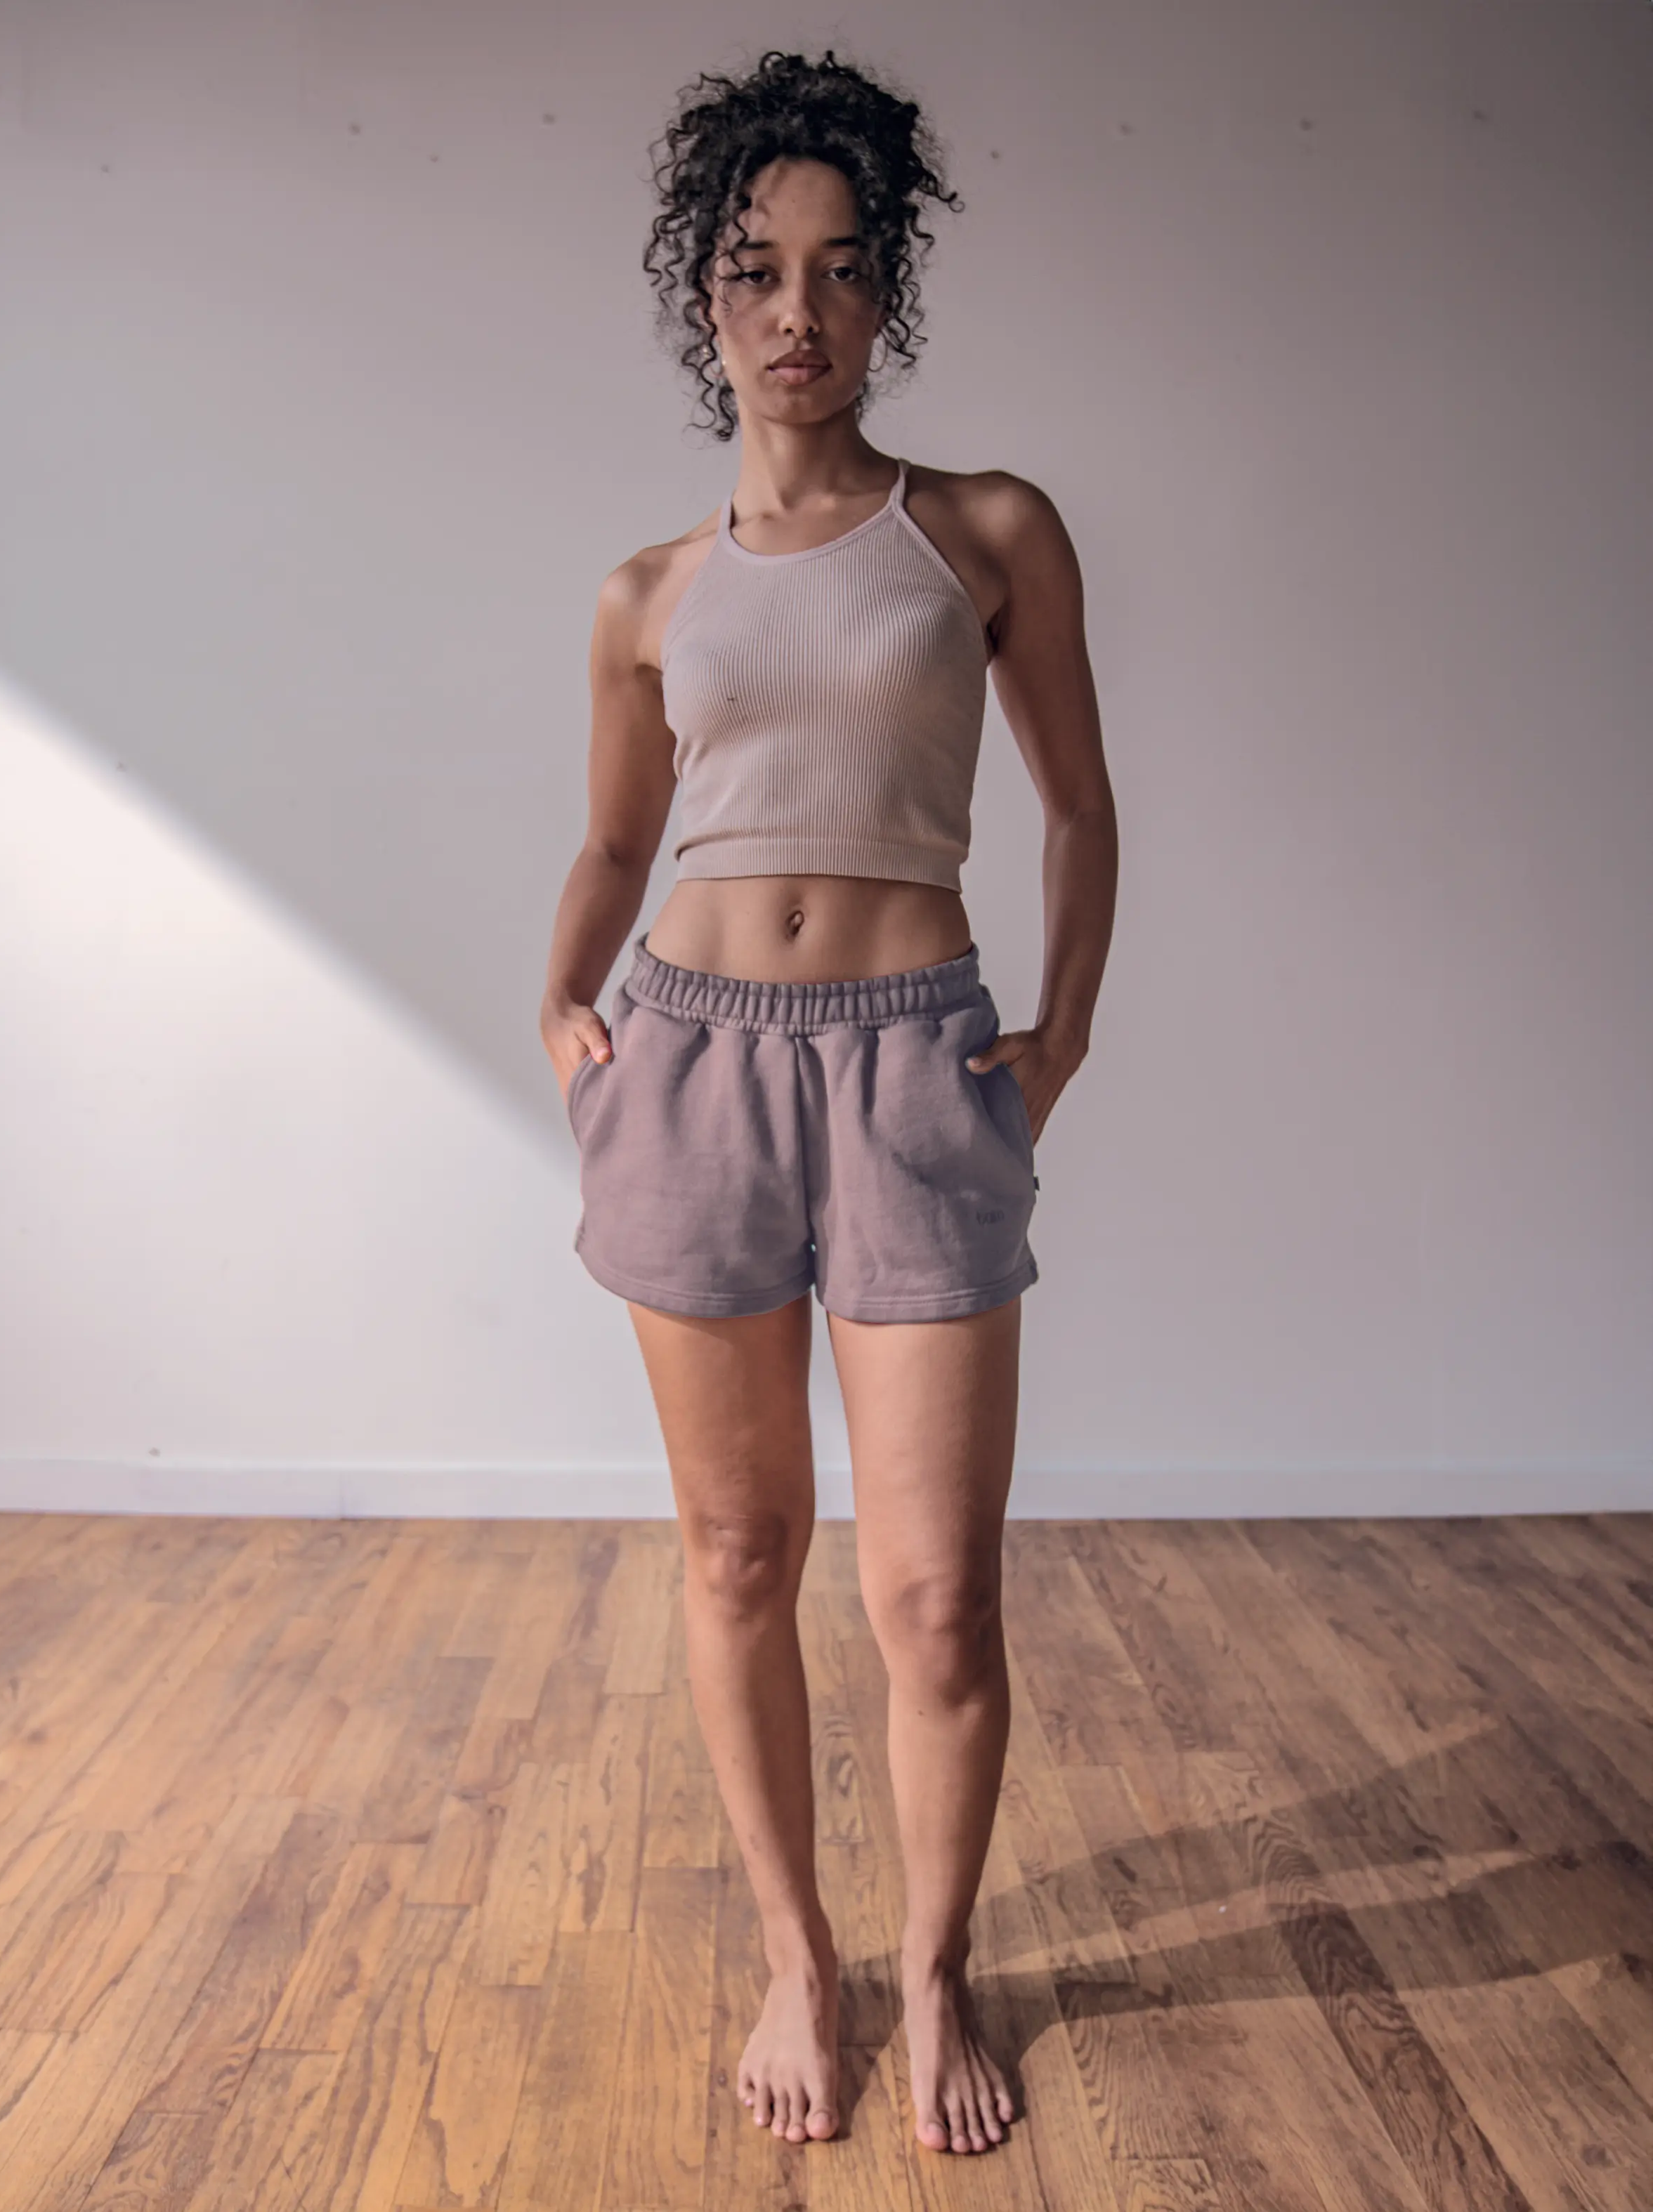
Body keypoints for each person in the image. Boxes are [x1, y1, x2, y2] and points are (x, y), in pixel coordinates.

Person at [539, 48, 1116, 2160]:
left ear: (888, 298)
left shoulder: (985, 533)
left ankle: (935, 1964)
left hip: (911, 1064)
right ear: (706, 299)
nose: (801, 310)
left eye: (844, 270)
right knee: (737, 1548)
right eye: (759, 271)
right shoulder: (647, 593)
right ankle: (803, 1952)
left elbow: (1078, 805)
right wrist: (562, 1003)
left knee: (938, 1592)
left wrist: (1061, 1033)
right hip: (691, 1061)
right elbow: (620, 846)